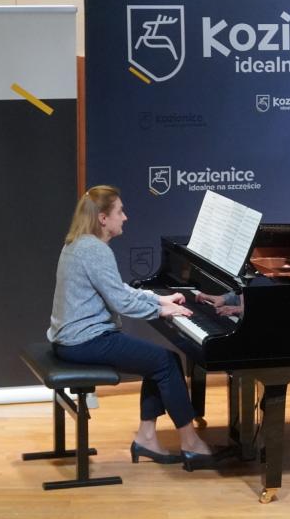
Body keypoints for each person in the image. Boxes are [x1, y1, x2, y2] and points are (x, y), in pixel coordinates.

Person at [47, 185, 216, 469]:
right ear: (103, 218)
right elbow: (121, 302)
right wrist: (161, 310)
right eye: (120, 211)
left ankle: (147, 438)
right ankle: (191, 443)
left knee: (160, 360)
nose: (125, 217)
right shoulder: (95, 250)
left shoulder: (79, 243)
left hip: (70, 339)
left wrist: (157, 299)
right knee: (164, 362)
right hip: (85, 341)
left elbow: (117, 289)